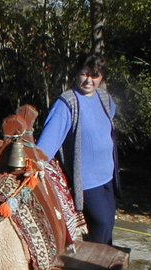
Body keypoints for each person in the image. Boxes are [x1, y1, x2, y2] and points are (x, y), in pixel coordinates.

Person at [37, 53, 120, 245]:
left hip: (108, 176)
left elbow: (105, 124)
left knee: (107, 227)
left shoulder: (104, 98)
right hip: (87, 182)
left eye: (95, 75)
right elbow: (46, 146)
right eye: (85, 74)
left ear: (101, 77)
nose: (89, 80)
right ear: (77, 74)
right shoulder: (67, 103)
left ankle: (104, 269)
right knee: (102, 225)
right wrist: (35, 165)